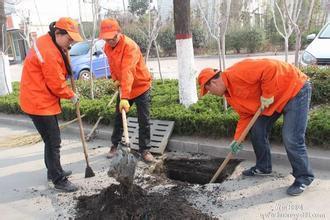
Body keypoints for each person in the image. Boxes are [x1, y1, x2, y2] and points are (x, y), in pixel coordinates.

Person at [198, 58, 314, 196]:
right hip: (273, 101)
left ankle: (304, 177)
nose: (211, 93)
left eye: (208, 90)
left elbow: (271, 68)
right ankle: (263, 167)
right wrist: (237, 139)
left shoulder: (238, 72)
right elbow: (246, 116)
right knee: (257, 130)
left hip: (294, 89)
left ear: (213, 82)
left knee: (291, 137)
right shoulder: (229, 95)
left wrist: (267, 94)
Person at [19, 17, 83, 192]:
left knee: (49, 140)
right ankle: (58, 180)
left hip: (37, 97)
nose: (70, 44)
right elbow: (56, 83)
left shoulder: (47, 41)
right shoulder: (49, 51)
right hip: (39, 101)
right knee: (54, 141)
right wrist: (71, 95)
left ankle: (53, 171)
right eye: (68, 39)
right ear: (57, 33)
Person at [99, 18, 155, 163]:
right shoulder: (106, 47)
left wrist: (124, 97)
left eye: (113, 38)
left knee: (144, 119)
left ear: (119, 32)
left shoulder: (130, 46)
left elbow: (128, 71)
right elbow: (112, 65)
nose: (110, 41)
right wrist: (114, 78)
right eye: (107, 39)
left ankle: (145, 150)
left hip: (141, 86)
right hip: (124, 87)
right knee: (118, 117)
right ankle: (114, 145)